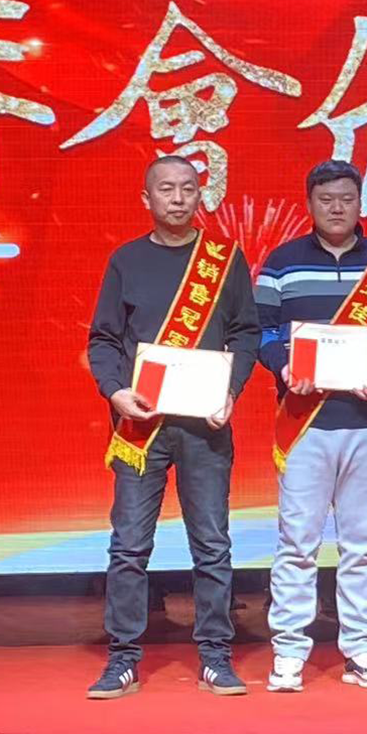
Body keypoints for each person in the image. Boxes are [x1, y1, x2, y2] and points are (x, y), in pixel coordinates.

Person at [85, 155, 260, 699]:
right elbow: (103, 339)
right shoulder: (126, 260)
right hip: (143, 428)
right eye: (167, 189)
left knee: (211, 545)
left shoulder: (223, 259)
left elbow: (246, 333)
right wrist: (115, 391)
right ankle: (122, 658)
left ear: (199, 196)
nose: (178, 198)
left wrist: (230, 391)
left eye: (188, 188)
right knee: (129, 546)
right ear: (147, 198)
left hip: (205, 426)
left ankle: (216, 656)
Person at [255, 159, 367, 692]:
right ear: (310, 203)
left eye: (346, 198)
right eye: (326, 199)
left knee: (363, 544)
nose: (336, 208)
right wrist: (285, 368)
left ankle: (361, 649)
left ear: (360, 202)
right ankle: (288, 652)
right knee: (297, 543)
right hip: (304, 423)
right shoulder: (281, 264)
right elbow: (260, 331)